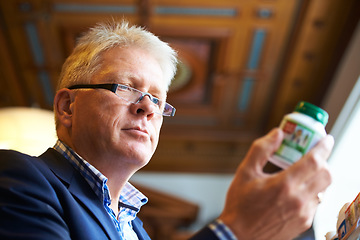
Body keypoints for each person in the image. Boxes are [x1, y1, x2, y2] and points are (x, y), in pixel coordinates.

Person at [0, 20, 334, 240]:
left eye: (158, 100)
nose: (147, 107)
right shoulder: (18, 177)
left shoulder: (137, 229)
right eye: (126, 87)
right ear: (67, 107)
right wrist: (233, 231)